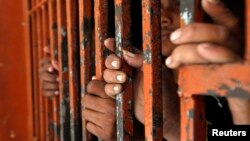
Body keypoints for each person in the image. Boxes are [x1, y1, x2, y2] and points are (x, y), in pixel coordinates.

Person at [39, 0, 249, 140]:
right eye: (155, 4)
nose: (163, 16)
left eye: (178, 3)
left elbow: (233, 134)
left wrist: (173, 126)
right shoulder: (143, 70)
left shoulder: (228, 73)